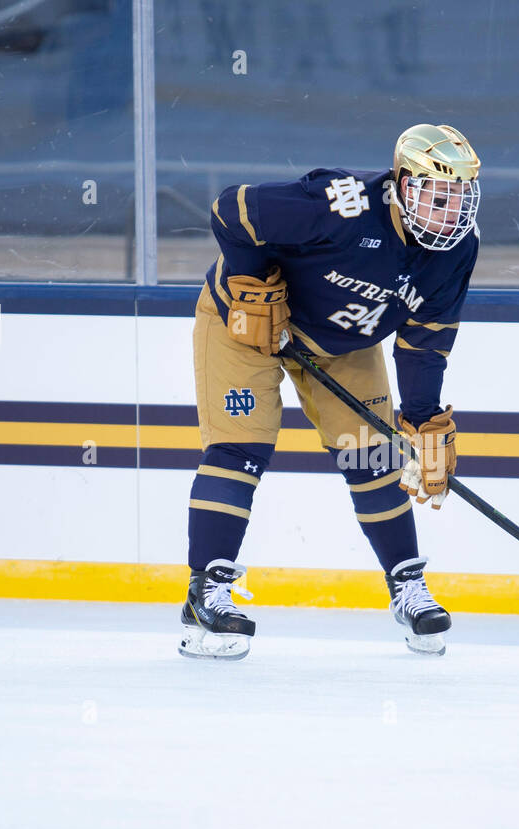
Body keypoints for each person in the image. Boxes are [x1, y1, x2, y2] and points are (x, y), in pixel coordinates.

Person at [179, 123, 482, 661]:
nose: (451, 212)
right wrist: (251, 284)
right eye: (439, 196)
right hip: (244, 327)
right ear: (405, 185)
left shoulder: (458, 248)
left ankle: (407, 587)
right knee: (239, 449)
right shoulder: (341, 206)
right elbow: (233, 210)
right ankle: (207, 589)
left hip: (342, 341)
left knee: (376, 455)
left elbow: (424, 342)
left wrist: (421, 417)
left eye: (461, 197)